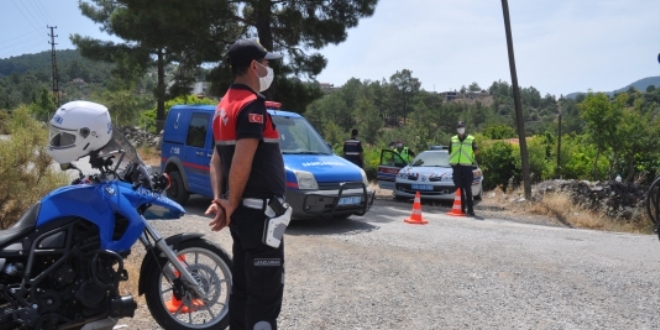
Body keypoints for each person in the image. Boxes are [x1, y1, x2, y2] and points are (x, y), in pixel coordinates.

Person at [205, 38, 286, 330]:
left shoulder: (222, 106)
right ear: (254, 66)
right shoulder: (252, 105)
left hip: (243, 216)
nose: (267, 69)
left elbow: (216, 160)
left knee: (243, 289)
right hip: (259, 214)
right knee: (264, 296)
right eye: (265, 64)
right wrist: (233, 201)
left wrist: (220, 200)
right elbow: (242, 160)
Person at [448, 121, 478, 217]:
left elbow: (476, 151)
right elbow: (449, 151)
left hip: (467, 167)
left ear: (465, 127)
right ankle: (461, 209)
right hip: (456, 167)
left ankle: (470, 210)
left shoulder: (471, 139)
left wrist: (471, 158)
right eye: (459, 127)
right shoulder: (453, 139)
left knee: (468, 189)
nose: (460, 128)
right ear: (456, 128)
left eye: (462, 126)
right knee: (459, 189)